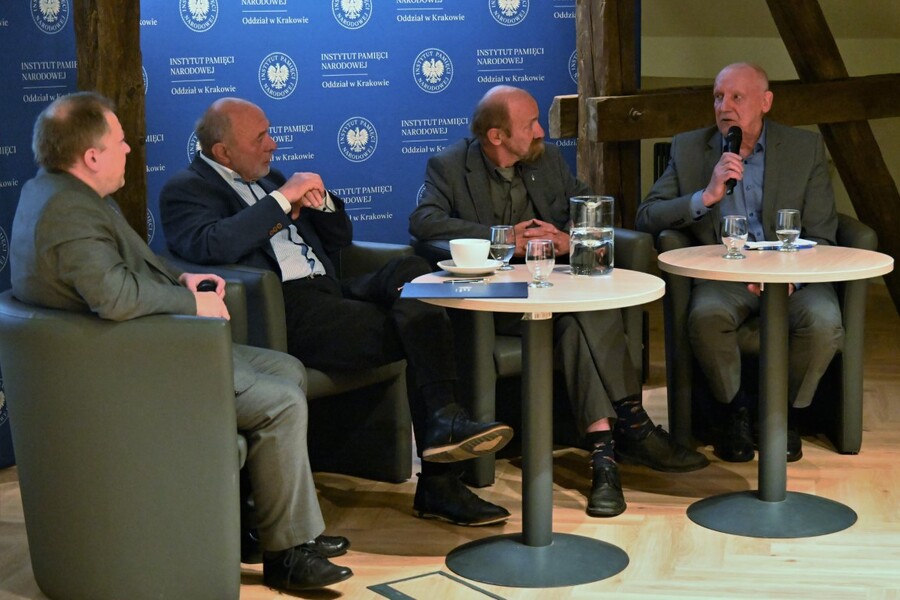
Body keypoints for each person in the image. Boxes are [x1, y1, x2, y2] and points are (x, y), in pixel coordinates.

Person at [10, 92, 354, 593]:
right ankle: (289, 554)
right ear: (91, 156)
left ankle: (262, 527)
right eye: (121, 142)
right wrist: (192, 306)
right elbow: (114, 295)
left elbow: (131, 267)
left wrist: (183, 280)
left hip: (133, 351)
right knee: (280, 401)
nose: (130, 149)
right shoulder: (69, 211)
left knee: (285, 369)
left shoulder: (61, 195)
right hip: (125, 369)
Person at [159, 97, 515, 528]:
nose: (273, 144)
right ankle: (441, 470)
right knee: (424, 322)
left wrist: (322, 201)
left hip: (332, 290)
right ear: (223, 152)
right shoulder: (186, 189)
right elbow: (211, 245)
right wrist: (279, 201)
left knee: (413, 276)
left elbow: (341, 238)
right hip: (285, 309)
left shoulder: (270, 177)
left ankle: (443, 427)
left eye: (270, 131)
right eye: (261, 137)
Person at [409, 85, 708, 518]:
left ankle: (605, 457)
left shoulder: (544, 161)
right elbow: (424, 222)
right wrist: (503, 240)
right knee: (584, 310)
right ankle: (635, 427)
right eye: (530, 124)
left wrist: (571, 238)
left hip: (553, 289)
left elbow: (584, 206)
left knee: (577, 318)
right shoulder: (450, 166)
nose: (542, 131)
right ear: (496, 136)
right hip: (499, 302)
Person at [636, 62, 842, 463]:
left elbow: (822, 232)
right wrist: (705, 196)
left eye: (736, 97)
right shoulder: (689, 147)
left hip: (790, 274)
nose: (724, 106)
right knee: (706, 316)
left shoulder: (804, 148)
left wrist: (791, 280)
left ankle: (781, 414)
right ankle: (736, 412)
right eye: (718, 97)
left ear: (765, 102)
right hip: (724, 274)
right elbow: (647, 215)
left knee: (824, 322)